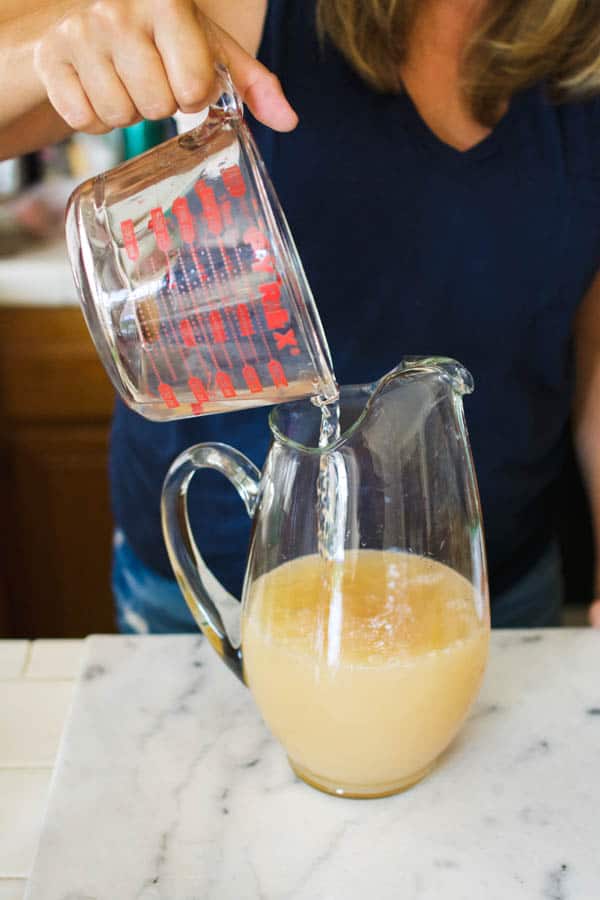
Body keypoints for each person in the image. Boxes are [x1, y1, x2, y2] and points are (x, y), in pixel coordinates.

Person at [1, 0, 599, 630]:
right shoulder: (249, 9)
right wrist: (57, 34)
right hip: (212, 605)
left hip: (487, 593)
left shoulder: (583, 52)